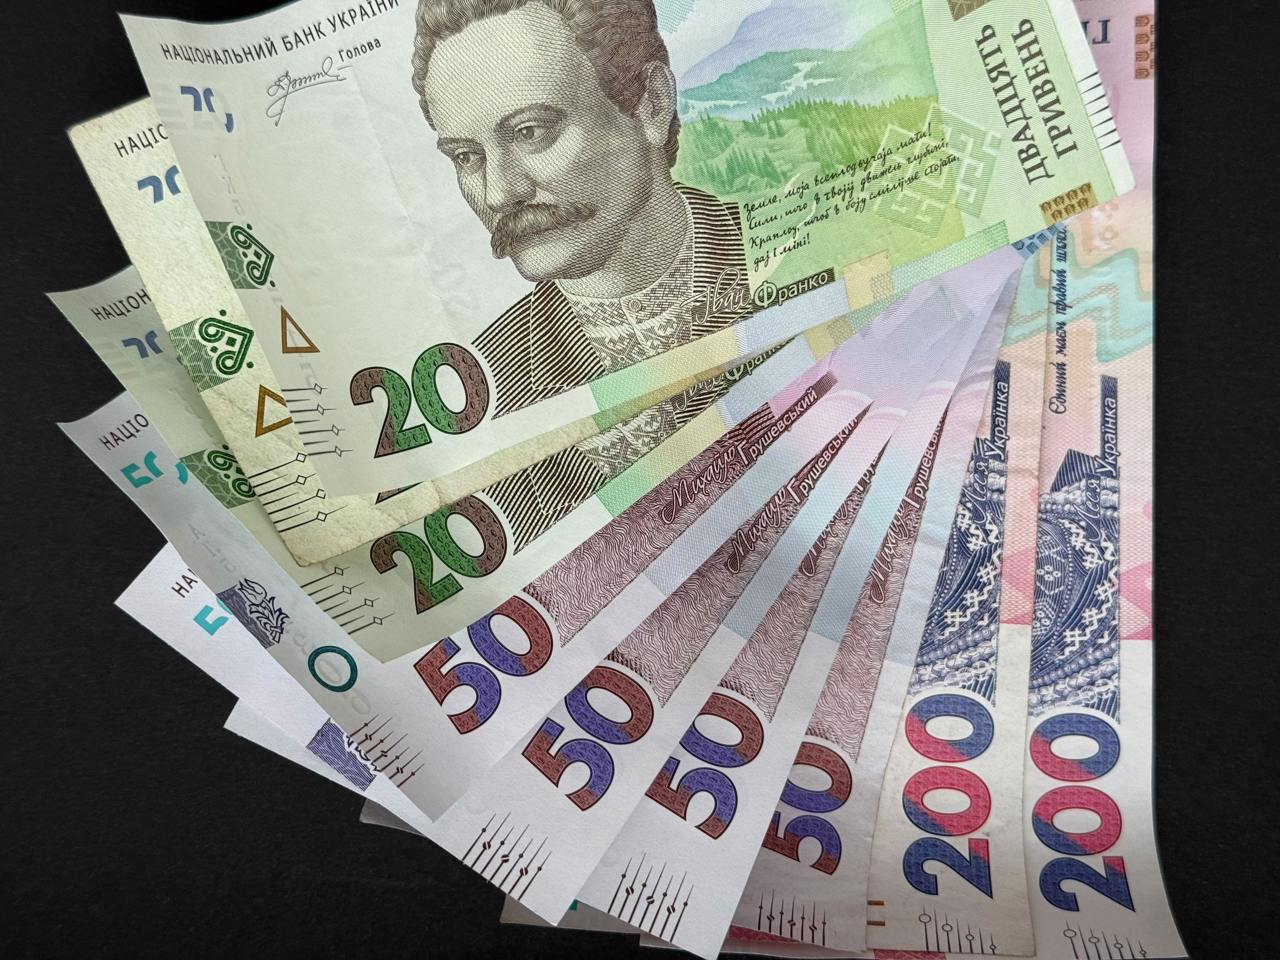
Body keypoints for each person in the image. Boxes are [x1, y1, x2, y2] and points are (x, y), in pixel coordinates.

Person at [412, 0, 749, 416]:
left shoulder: (784, 252)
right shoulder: (489, 382)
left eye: (530, 132)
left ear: (653, 105)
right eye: (466, 157)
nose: (499, 193)